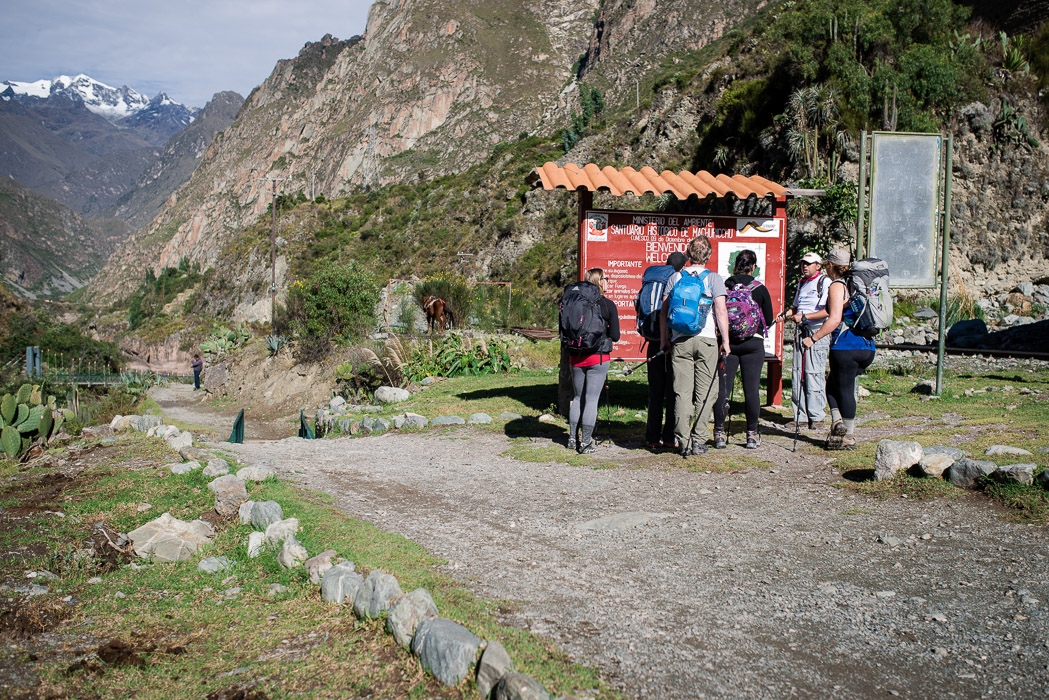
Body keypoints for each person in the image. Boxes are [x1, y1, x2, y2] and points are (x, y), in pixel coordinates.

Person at [660, 236, 731, 457]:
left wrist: (664, 339)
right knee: (706, 392)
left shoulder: (675, 277)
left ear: (688, 255)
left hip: (680, 340)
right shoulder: (713, 278)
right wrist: (725, 341)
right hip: (707, 339)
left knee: (681, 392)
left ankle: (683, 441)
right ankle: (699, 440)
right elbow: (721, 311)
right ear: (708, 255)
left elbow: (664, 312)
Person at [800, 248, 876, 450]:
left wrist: (814, 338)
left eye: (826, 265)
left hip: (846, 346)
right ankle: (837, 424)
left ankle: (848, 436)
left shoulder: (837, 285)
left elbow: (834, 319)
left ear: (830, 266)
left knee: (844, 389)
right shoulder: (858, 283)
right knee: (832, 384)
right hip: (868, 346)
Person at [712, 249, 775, 449]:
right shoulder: (760, 288)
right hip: (753, 344)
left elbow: (717, 313)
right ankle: (751, 435)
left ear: (735, 265)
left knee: (723, 388)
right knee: (751, 389)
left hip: (728, 343)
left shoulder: (725, 286)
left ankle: (719, 433)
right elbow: (769, 319)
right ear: (753, 267)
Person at [567, 268, 620, 454]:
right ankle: (586, 442)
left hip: (575, 356)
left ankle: (572, 438)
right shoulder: (607, 305)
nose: (608, 281)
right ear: (599, 281)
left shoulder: (573, 302)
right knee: (591, 400)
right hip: (598, 357)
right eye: (606, 278)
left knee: (577, 397)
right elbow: (615, 336)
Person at [642, 251, 688, 449]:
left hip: (653, 341)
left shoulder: (653, 278)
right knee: (672, 390)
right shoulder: (678, 279)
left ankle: (652, 437)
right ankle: (669, 436)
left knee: (655, 391)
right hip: (672, 341)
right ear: (683, 266)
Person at [782, 251, 830, 429]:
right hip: (800, 330)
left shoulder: (825, 282)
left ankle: (816, 416)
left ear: (818, 266)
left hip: (816, 330)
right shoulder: (802, 282)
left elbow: (828, 311)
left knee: (814, 373)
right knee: (797, 373)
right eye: (803, 263)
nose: (805, 266)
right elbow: (796, 308)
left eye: (809, 263)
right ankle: (800, 416)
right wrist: (785, 314)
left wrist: (804, 317)